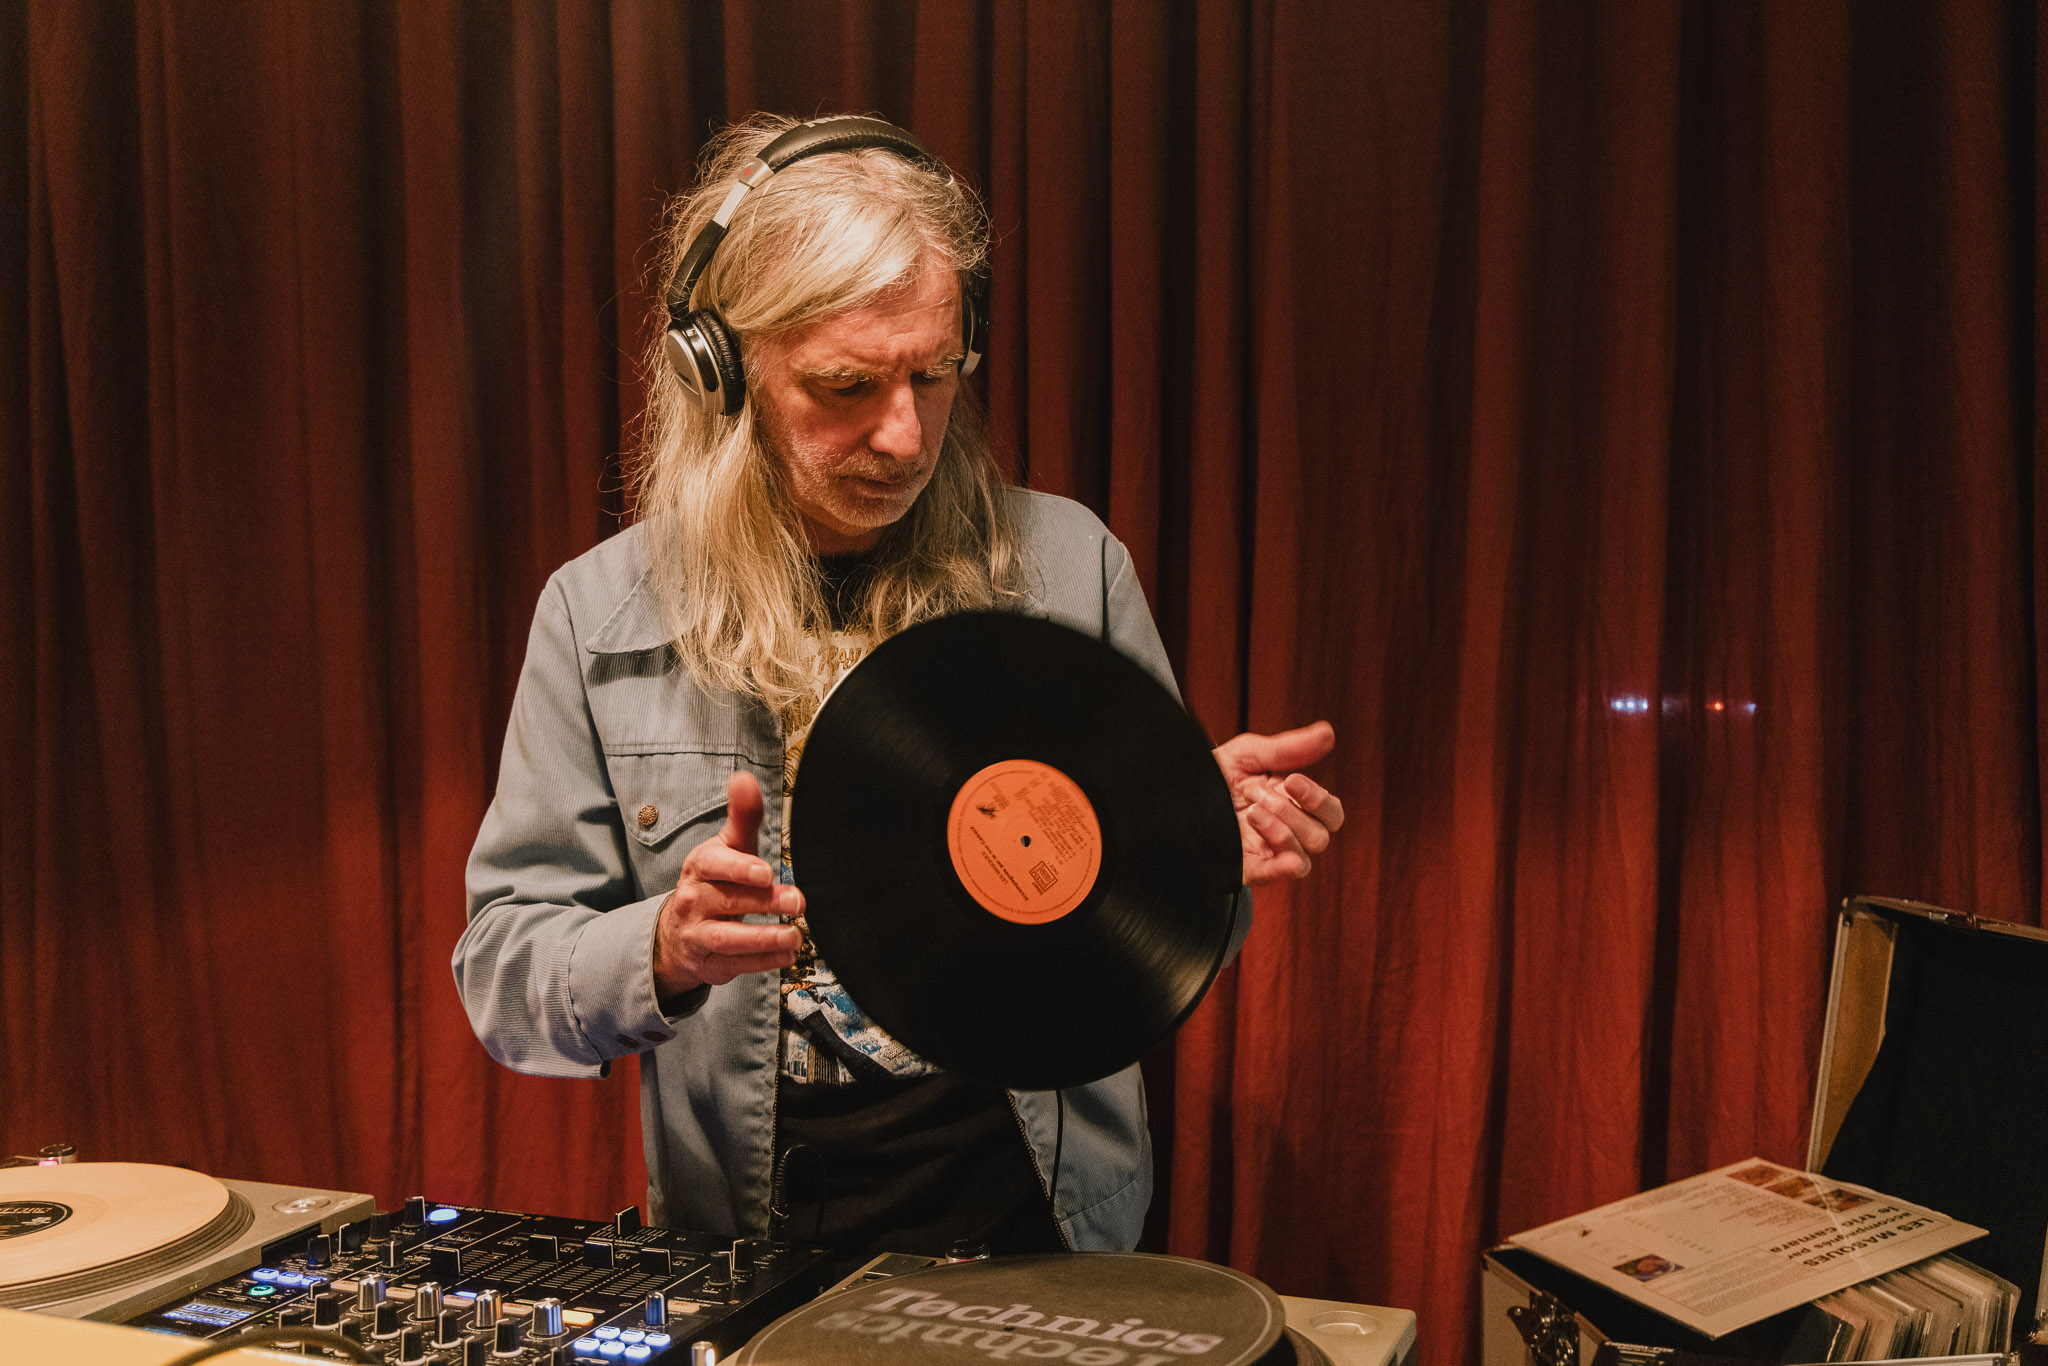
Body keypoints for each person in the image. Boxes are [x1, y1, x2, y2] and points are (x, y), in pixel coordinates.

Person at [453, 114, 1344, 1265]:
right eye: (845, 385)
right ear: (718, 372)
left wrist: (1186, 853)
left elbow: (1150, 957)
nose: (905, 430)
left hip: (1043, 1239)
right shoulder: (595, 617)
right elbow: (503, 980)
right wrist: (663, 947)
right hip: (754, 1252)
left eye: (933, 371)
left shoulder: (1074, 569)